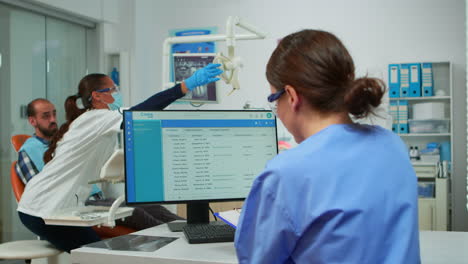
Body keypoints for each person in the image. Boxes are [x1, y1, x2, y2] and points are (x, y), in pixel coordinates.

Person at [234, 30, 420, 263]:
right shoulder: (392, 145)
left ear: (291, 96)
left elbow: (256, 258)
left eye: (274, 100)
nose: (277, 112)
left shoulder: (285, 174)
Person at [17, 63, 223, 253]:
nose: (117, 93)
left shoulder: (96, 122)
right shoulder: (95, 119)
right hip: (43, 210)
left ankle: (196, 235)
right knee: (96, 255)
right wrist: (185, 86)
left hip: (58, 207)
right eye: (113, 89)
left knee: (140, 219)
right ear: (97, 96)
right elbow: (141, 112)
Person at [15, 99, 58, 184]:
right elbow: (37, 192)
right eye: (46, 116)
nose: (53, 120)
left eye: (54, 114)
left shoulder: (63, 141)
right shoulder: (27, 151)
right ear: (32, 121)